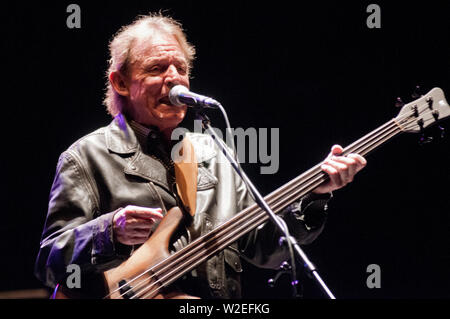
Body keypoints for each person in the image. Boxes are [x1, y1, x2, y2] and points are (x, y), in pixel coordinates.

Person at [34, 13, 366, 299]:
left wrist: (315, 196)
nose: (173, 78)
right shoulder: (87, 156)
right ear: (121, 82)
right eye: (157, 68)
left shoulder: (215, 153)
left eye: (180, 67)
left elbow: (266, 248)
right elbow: (49, 262)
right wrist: (109, 231)